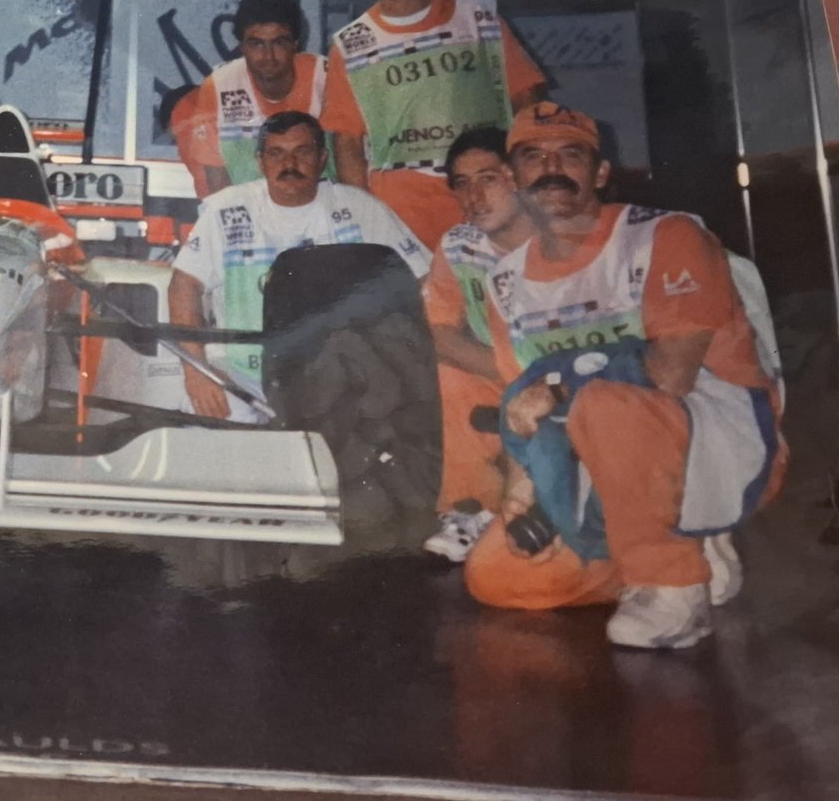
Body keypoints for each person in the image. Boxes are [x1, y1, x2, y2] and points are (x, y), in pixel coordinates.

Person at [466, 102, 787, 649]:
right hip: (596, 464)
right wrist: (525, 485)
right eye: (533, 156)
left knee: (604, 404)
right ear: (513, 179)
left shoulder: (665, 235)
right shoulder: (504, 280)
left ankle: (674, 584)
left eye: (571, 155)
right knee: (497, 577)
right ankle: (682, 547)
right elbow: (522, 401)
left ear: (600, 173)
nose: (551, 169)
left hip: (713, 442)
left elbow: (672, 373)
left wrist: (560, 387)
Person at [169, 111, 430, 424]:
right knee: (205, 413)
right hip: (243, 371)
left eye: (302, 152)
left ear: (322, 159)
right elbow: (184, 284)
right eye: (276, 154)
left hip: (339, 373)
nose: (289, 164)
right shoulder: (227, 210)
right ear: (260, 162)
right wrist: (196, 371)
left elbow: (424, 280)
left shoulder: (360, 209)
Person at [322, 0, 547, 250]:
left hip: (485, 193)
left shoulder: (476, 19)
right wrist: (362, 216)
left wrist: (529, 182)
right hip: (402, 208)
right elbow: (347, 143)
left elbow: (527, 101)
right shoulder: (352, 44)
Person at [420, 127, 536, 562]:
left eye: (489, 179)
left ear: (517, 178)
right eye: (462, 183)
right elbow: (439, 331)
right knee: (445, 375)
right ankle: (469, 509)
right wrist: (512, 375)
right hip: (503, 371)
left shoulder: (558, 237)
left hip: (567, 375)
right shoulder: (458, 244)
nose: (475, 196)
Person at [182, 0, 327, 196]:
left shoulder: (325, 78)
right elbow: (216, 183)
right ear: (241, 47)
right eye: (257, 44)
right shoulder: (219, 85)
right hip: (249, 206)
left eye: (279, 43)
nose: (268, 56)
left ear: (295, 44)